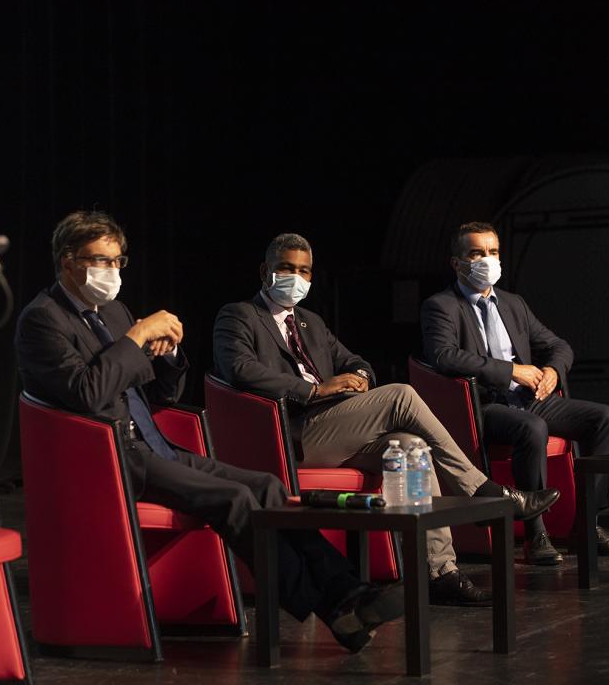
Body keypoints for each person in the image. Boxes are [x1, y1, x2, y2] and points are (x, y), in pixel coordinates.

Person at [16, 211, 404, 653]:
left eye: (117, 261)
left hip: (151, 444)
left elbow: (162, 394)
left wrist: (168, 354)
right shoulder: (42, 320)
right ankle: (333, 607)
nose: (112, 271)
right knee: (235, 499)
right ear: (68, 261)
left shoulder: (114, 312)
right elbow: (87, 393)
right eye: (100, 261)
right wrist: (138, 336)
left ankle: (348, 590)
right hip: (107, 456)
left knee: (267, 486)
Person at [213, 232, 560, 605]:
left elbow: (355, 361)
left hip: (336, 428)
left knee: (412, 448)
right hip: (291, 435)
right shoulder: (239, 315)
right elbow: (239, 369)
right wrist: (315, 390)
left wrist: (360, 376)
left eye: (304, 271)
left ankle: (439, 571)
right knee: (401, 395)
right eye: (286, 268)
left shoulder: (310, 321)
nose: (296, 278)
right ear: (265, 271)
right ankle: (481, 489)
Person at [420, 221, 609, 564]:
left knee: (607, 419)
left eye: (493, 252)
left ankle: (587, 525)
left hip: (528, 400)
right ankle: (536, 533)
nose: (487, 260)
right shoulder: (441, 306)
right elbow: (444, 356)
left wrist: (552, 371)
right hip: (484, 405)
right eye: (476, 253)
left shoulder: (513, 303)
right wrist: (511, 371)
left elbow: (559, 346)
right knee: (532, 428)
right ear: (456, 262)